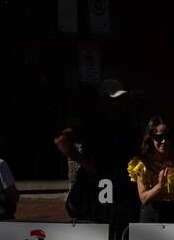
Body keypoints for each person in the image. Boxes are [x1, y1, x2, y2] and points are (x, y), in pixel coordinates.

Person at [54, 79, 141, 224]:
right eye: (114, 100)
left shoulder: (129, 123)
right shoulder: (92, 124)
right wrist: (86, 164)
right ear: (104, 101)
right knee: (97, 224)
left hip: (122, 186)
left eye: (121, 100)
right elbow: (60, 139)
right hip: (97, 185)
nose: (118, 104)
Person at [127, 117, 174, 224]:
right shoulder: (142, 164)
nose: (164, 141)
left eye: (167, 137)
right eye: (158, 137)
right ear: (151, 138)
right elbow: (143, 198)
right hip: (152, 215)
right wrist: (159, 186)